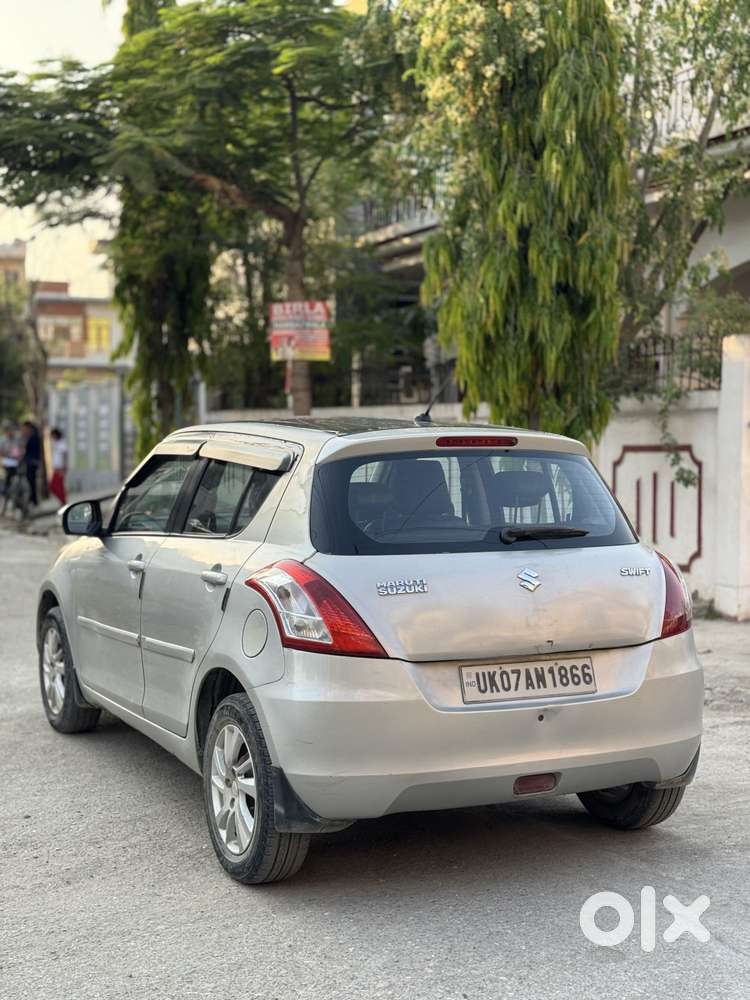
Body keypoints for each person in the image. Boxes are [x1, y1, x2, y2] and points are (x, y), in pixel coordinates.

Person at [1, 422, 22, 509]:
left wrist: (18, 454)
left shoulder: (17, 439)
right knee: (7, 484)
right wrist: (8, 453)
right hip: (7, 464)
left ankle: (18, 501)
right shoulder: (2, 440)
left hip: (17, 464)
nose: (11, 432)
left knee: (18, 484)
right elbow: (1, 452)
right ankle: (6, 498)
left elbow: (21, 449)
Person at [20, 420, 41, 508]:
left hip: (32, 463)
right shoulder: (31, 437)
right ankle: (32, 500)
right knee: (30, 482)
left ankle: (33, 501)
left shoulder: (34, 437)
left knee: (32, 482)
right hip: (30, 463)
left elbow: (31, 452)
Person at [49, 427, 68, 506]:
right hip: (56, 468)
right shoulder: (56, 443)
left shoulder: (62, 443)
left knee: (57, 486)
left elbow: (65, 455)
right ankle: (62, 501)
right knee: (54, 486)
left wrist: (63, 468)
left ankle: (63, 502)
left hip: (60, 468)